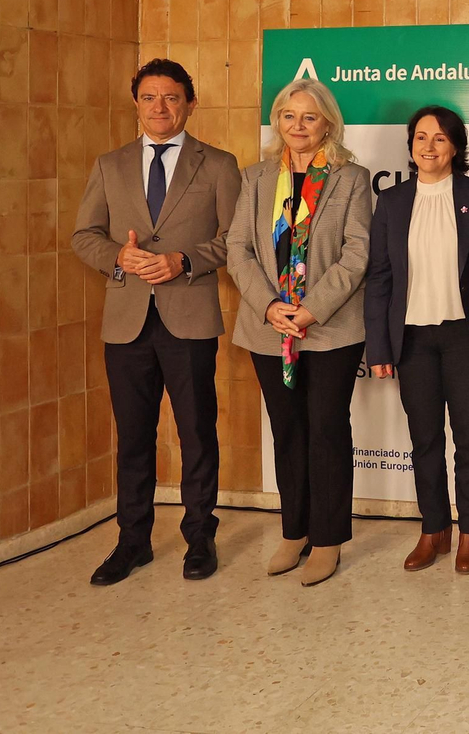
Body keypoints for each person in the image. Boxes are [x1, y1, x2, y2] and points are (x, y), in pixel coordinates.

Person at [72, 59, 241, 586]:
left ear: (191, 103)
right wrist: (118, 259)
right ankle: (133, 542)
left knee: (196, 431)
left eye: (171, 97)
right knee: (134, 436)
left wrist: (183, 261)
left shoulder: (217, 164)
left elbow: (237, 241)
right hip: (126, 322)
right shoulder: (110, 164)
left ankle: (199, 538)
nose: (160, 107)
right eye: (149, 98)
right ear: (137, 105)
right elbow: (85, 235)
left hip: (188, 316)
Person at [226, 78, 372, 587]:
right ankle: (295, 530)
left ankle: (328, 539)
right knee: (288, 429)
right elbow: (238, 249)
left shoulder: (351, 178)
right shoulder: (256, 178)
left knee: (326, 429)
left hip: (328, 329)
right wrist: (269, 306)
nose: (298, 126)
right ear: (277, 122)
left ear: (327, 123)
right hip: (268, 329)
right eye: (289, 116)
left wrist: (309, 310)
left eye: (309, 117)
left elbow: (357, 255)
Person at [365, 106, 469, 574]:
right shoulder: (393, 201)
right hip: (412, 339)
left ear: (455, 147)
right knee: (424, 442)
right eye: (421, 137)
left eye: (440, 138)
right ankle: (433, 529)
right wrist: (378, 348)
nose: (429, 146)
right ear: (411, 146)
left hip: (465, 336)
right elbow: (379, 278)